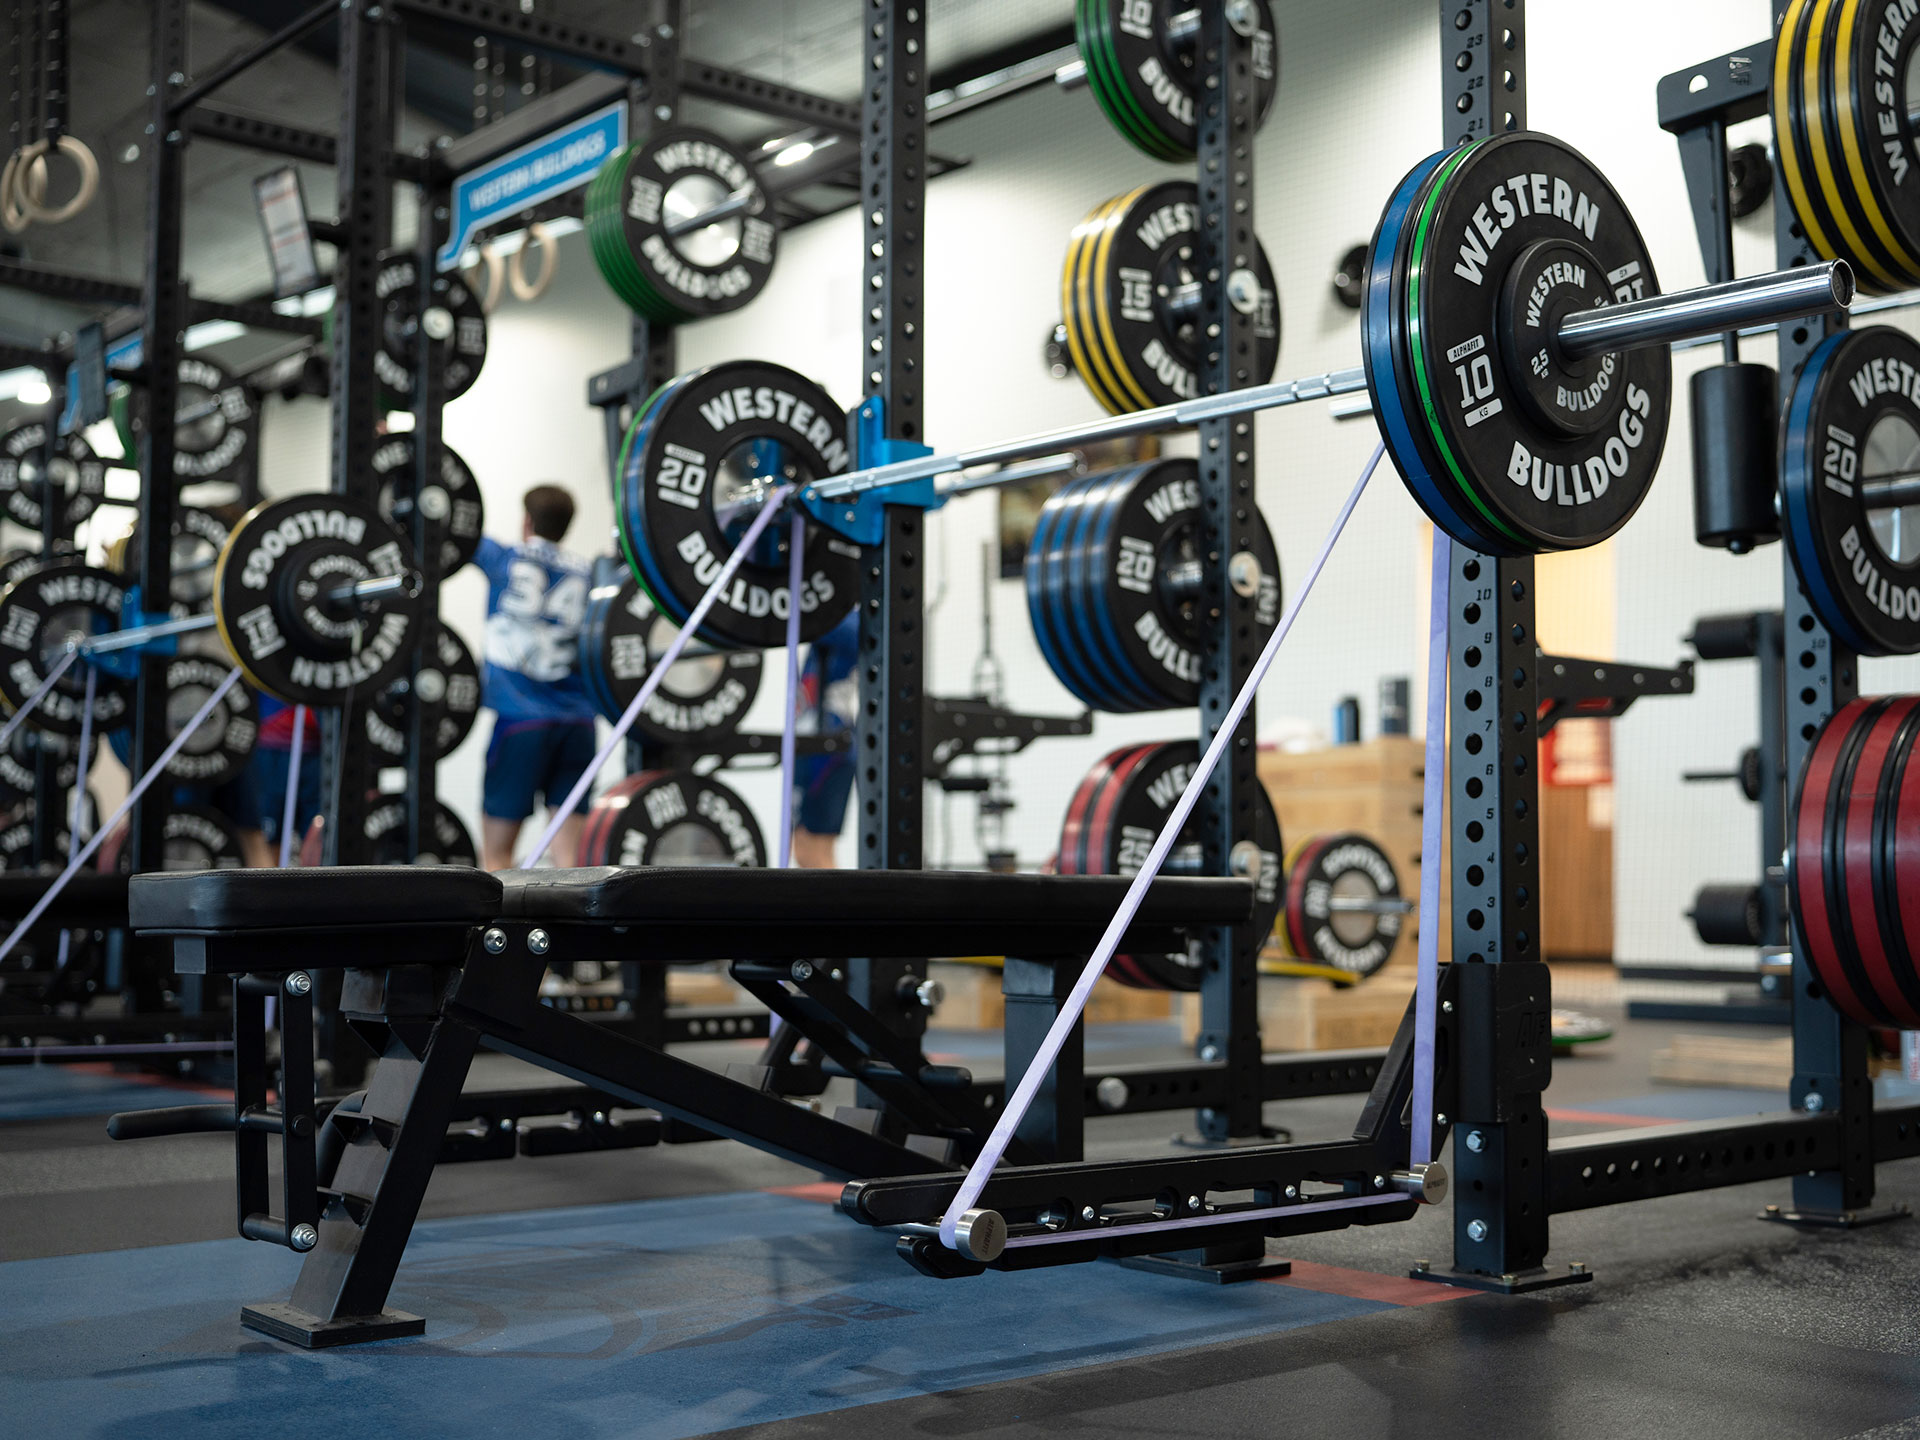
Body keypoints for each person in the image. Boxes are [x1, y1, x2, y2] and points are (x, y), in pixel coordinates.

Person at [471, 484, 596, 870]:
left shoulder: (503, 558)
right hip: (579, 725)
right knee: (570, 866)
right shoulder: (590, 574)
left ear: (527, 520)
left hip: (520, 723)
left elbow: (448, 529)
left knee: (496, 859)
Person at [790, 609, 860, 868]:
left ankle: (838, 909)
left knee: (814, 848)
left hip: (827, 747)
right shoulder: (829, 617)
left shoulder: (843, 618)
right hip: (811, 743)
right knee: (804, 847)